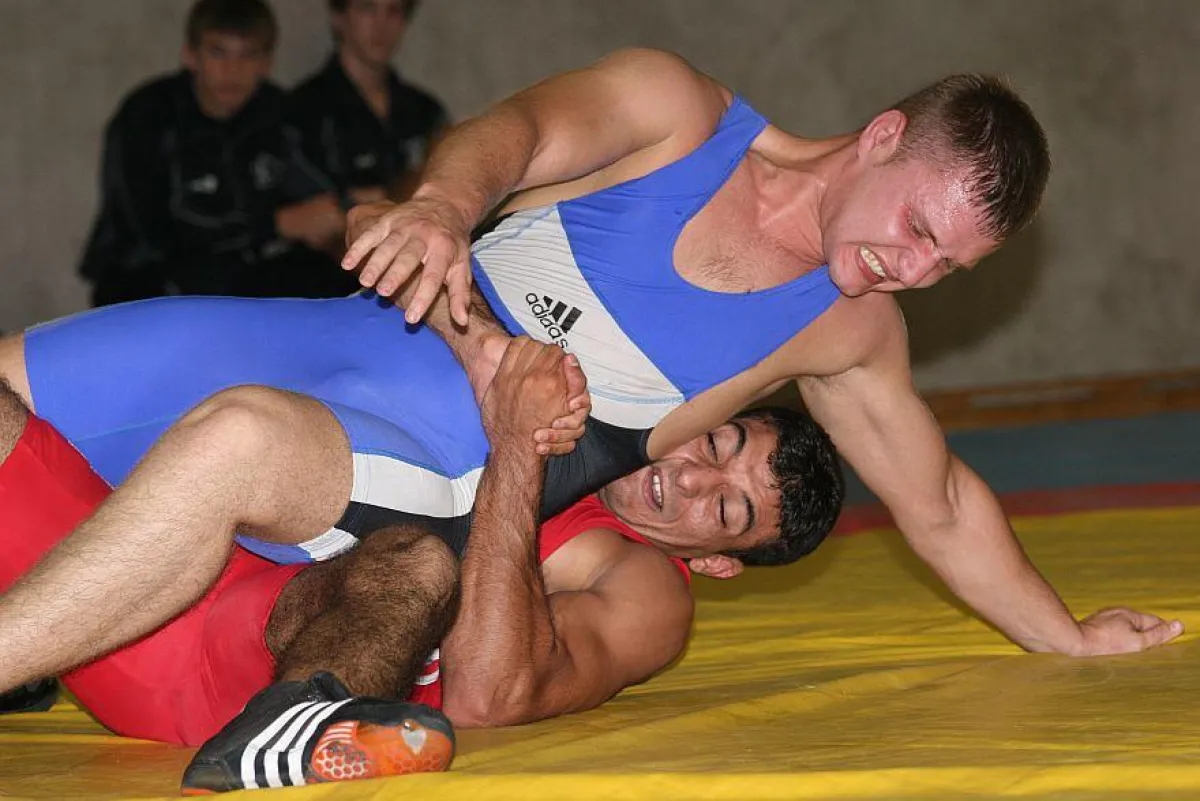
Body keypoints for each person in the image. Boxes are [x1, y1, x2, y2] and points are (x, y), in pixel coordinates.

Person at [343, 47, 1185, 658]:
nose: (917, 272)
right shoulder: (676, 113)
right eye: (919, 230)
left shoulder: (850, 327)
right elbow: (514, 133)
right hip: (350, 365)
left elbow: (943, 505)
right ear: (884, 135)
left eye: (949, 267)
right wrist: (447, 206)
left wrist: (1068, 637)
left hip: (424, 502)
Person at [0, 337, 841, 791]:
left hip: (243, 669)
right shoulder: (581, 414)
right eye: (718, 444)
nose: (690, 478)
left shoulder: (649, 588)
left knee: (416, 562)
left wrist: (517, 449)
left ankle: (293, 723)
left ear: (720, 562)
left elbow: (486, 692)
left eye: (723, 509)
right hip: (140, 581)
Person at [77, 0, 349, 304]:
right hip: (146, 281)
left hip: (241, 279)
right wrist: (276, 224)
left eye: (248, 55)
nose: (232, 71)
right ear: (190, 56)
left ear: (266, 64)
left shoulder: (279, 115)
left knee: (333, 285)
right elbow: (152, 234)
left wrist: (339, 215)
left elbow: (320, 196)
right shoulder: (148, 116)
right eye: (218, 52)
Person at [278, 0, 448, 297]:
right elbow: (324, 222)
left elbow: (452, 196)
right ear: (339, 18)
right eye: (368, 9)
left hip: (423, 280)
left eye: (393, 11)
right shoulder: (303, 110)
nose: (381, 26)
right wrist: (408, 188)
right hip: (331, 290)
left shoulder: (425, 110)